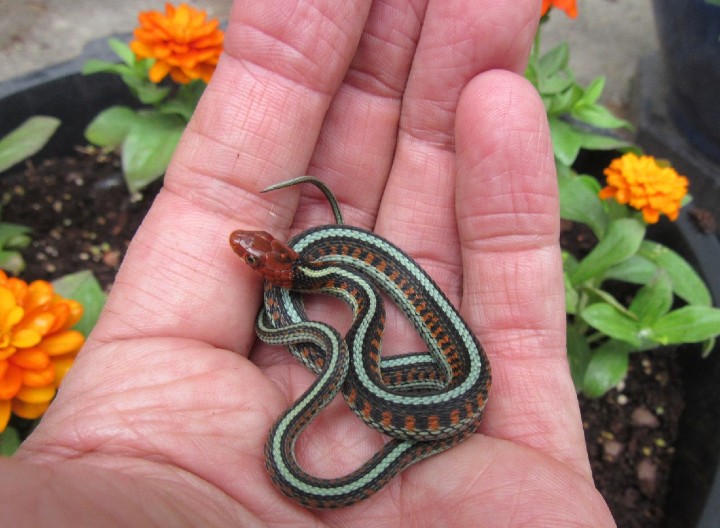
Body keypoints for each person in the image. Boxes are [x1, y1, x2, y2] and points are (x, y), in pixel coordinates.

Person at [1, 0, 615, 525]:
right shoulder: (322, 284)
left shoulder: (341, 290)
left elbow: (370, 342)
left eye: (251, 252)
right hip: (349, 323)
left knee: (387, 357)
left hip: (433, 377)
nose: (242, 251)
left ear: (277, 267)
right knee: (350, 343)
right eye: (249, 253)